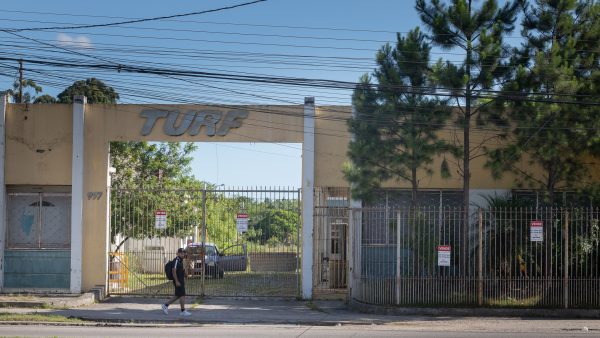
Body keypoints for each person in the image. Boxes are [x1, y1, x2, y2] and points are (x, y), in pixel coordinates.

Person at [161, 248, 191, 316]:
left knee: (178, 295)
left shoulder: (181, 261)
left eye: (184, 253)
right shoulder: (176, 260)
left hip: (180, 280)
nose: (183, 254)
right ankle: (182, 311)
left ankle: (165, 305)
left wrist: (187, 266)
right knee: (182, 295)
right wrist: (177, 281)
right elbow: (173, 270)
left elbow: (183, 272)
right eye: (181, 253)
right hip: (178, 280)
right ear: (178, 253)